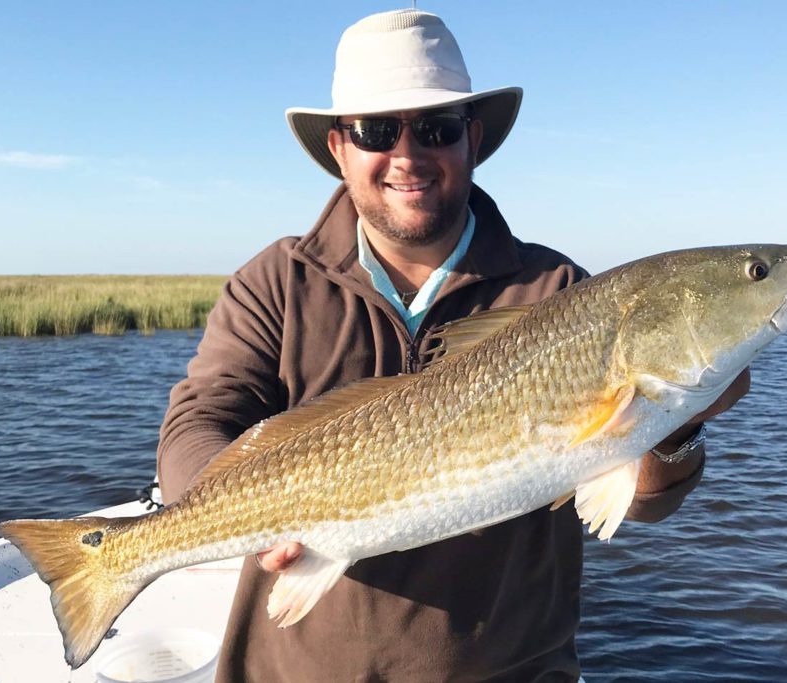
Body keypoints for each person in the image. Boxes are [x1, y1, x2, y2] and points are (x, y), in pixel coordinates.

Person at [157, 9, 749, 682]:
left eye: (436, 129)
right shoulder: (274, 283)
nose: (407, 155)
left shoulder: (558, 292)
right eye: (378, 130)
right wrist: (245, 508)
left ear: (472, 139)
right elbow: (196, 421)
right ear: (338, 147)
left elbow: (642, 498)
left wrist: (681, 421)